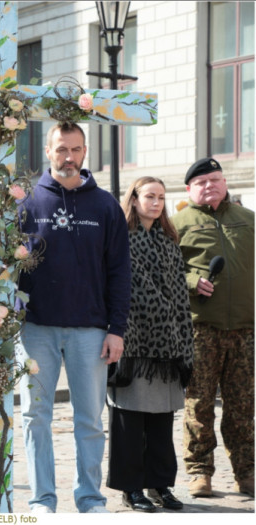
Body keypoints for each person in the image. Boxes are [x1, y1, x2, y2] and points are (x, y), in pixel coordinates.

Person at [15, 123, 131, 513]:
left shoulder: (105, 205)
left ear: (85, 152)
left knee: (90, 420)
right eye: (61, 149)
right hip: (36, 329)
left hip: (91, 331)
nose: (69, 157)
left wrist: (117, 329)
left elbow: (120, 272)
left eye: (76, 149)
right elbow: (6, 265)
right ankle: (42, 501)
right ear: (48, 151)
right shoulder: (26, 202)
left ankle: (90, 499)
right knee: (35, 417)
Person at [105, 177, 193, 512]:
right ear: (134, 199)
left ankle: (160, 484)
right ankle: (131, 488)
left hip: (168, 344)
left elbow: (179, 294)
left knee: (161, 422)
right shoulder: (119, 238)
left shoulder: (169, 241)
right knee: (128, 421)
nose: (156, 203)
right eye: (149, 196)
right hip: (131, 342)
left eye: (161, 197)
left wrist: (183, 342)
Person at [172, 157, 254, 498]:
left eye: (215, 180)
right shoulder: (178, 223)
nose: (210, 186)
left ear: (225, 183)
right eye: (202, 182)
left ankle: (246, 473)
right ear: (189, 189)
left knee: (243, 406)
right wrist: (193, 282)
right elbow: (166, 271)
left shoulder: (248, 220)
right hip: (201, 328)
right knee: (199, 405)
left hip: (245, 328)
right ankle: (199, 471)